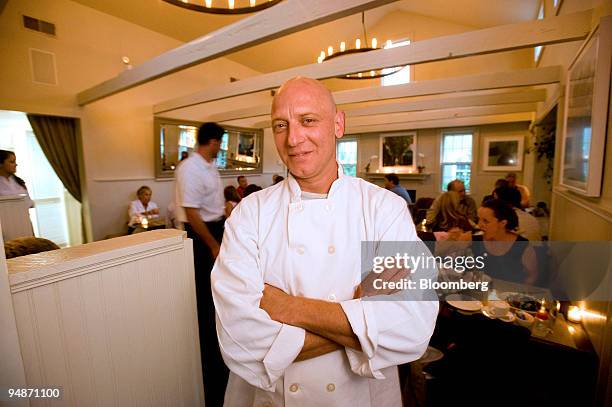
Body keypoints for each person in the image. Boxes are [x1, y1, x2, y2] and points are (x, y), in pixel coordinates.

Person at [211, 77, 438, 407]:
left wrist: (290, 308)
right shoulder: (250, 214)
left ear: (338, 124)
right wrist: (364, 319)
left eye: (307, 120)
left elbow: (412, 329)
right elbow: (242, 342)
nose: (293, 138)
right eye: (280, 125)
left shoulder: (384, 209)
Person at [174, 122, 228, 407]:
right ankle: (207, 346)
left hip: (216, 226)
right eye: (220, 142)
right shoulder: (190, 169)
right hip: (201, 232)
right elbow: (192, 212)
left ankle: (218, 328)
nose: (221, 147)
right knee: (203, 289)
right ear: (212, 141)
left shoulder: (208, 165)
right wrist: (212, 244)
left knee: (217, 283)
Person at [473, 199, 538, 285]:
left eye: (485, 221)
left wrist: (519, 294)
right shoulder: (476, 241)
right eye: (479, 220)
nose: (479, 225)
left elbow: (532, 276)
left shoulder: (521, 245)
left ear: (503, 223)